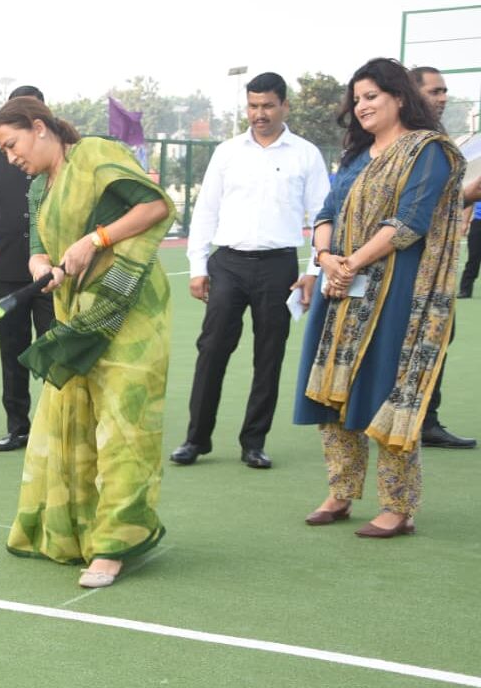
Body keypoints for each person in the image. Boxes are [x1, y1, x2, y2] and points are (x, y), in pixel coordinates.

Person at [0, 97, 174, 588]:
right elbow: (39, 249)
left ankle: (114, 544)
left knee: (124, 428)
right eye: (3, 150)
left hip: (129, 311)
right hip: (75, 315)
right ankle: (78, 531)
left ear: (39, 127)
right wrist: (43, 266)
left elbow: (155, 204)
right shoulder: (38, 187)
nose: (10, 157)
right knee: (73, 423)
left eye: (12, 144)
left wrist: (95, 240)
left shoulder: (94, 154)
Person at [295, 58, 466, 538]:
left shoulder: (427, 151)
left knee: (389, 389)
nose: (362, 106)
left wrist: (350, 263)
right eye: (357, 99)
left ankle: (398, 506)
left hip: (397, 292)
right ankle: (341, 491)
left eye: (371, 96)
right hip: (341, 289)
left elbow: (410, 223)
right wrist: (326, 257)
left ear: (399, 97)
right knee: (333, 388)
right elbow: (326, 212)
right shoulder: (356, 156)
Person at [170, 72, 330, 470]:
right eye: (253, 106)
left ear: (284, 106)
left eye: (268, 106)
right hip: (228, 264)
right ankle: (196, 439)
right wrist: (197, 266)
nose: (259, 114)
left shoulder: (306, 154)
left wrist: (314, 270)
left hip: (279, 267)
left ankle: (254, 442)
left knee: (269, 355)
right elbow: (206, 210)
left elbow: (324, 217)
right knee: (211, 350)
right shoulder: (227, 152)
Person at [0, 85, 54, 452]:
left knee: (54, 350)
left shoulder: (63, 159)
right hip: (7, 272)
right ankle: (19, 428)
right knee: (12, 353)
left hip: (53, 276)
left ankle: (57, 429)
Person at [408, 65, 478, 449]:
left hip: (438, 261)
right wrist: (466, 196)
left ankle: (426, 421)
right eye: (434, 91)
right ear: (412, 93)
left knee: (439, 334)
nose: (443, 98)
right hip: (409, 262)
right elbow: (415, 209)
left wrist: (465, 197)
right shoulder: (410, 141)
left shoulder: (438, 138)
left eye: (444, 91)